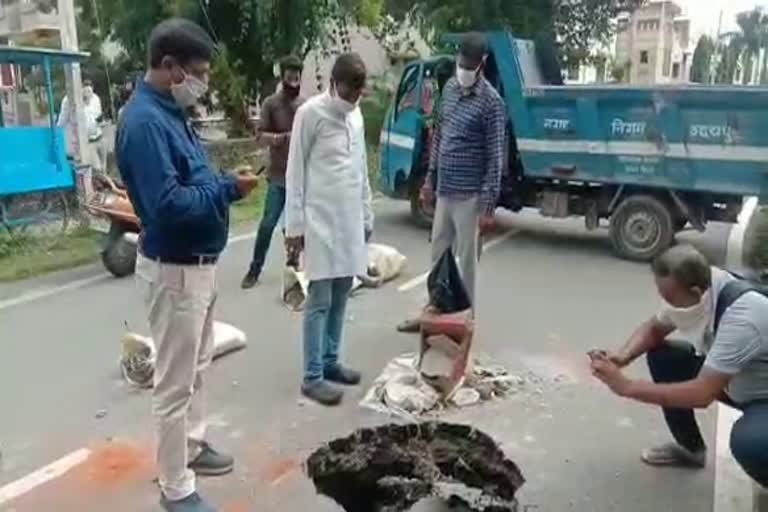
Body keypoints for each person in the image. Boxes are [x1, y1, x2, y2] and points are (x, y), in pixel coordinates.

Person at [116, 18, 260, 512]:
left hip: (198, 266)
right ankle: (175, 487)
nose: (202, 82)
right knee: (174, 385)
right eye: (197, 72)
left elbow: (190, 175)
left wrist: (222, 179)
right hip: (174, 270)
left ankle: (193, 447)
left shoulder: (170, 113)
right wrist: (225, 190)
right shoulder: (143, 123)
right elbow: (167, 205)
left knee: (197, 367)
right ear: (169, 66)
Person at [591, 245, 768, 488]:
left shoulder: (743, 318)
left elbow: (701, 393)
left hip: (762, 397)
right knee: (665, 356)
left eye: (670, 298)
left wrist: (626, 387)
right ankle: (690, 450)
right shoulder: (703, 283)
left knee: (750, 442)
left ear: (695, 292)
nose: (667, 304)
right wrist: (622, 357)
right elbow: (654, 328)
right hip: (738, 381)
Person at [397, 33, 506, 333]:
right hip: (444, 190)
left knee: (467, 262)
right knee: (438, 254)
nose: (464, 68)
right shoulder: (449, 90)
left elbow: (496, 158)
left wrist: (487, 207)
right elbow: (440, 137)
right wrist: (430, 181)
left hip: (470, 196)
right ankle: (434, 312)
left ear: (482, 63)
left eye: (470, 64)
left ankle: (464, 322)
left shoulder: (491, 104)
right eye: (461, 62)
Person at [284, 52, 374, 407]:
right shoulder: (310, 114)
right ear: (334, 84)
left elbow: (361, 167)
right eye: (349, 94)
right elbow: (295, 173)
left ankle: (331, 361)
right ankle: (312, 376)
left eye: (358, 96)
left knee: (341, 293)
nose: (352, 102)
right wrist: (294, 227)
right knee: (319, 299)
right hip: (319, 221)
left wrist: (367, 214)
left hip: (349, 218)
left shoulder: (356, 116)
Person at [241, 55, 305, 289]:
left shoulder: (306, 105)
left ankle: (295, 268)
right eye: (290, 75)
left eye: (297, 75)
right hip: (278, 177)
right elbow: (259, 137)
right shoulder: (271, 104)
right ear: (283, 76)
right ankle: (254, 270)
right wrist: (280, 138)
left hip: (300, 178)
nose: (294, 79)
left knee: (296, 227)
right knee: (268, 224)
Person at [58, 79, 106, 171]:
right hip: (86, 141)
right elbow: (62, 120)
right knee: (96, 168)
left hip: (99, 137)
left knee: (103, 167)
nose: (89, 95)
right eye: (86, 92)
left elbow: (98, 115)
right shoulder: (69, 101)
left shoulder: (96, 99)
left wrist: (101, 123)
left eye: (90, 92)